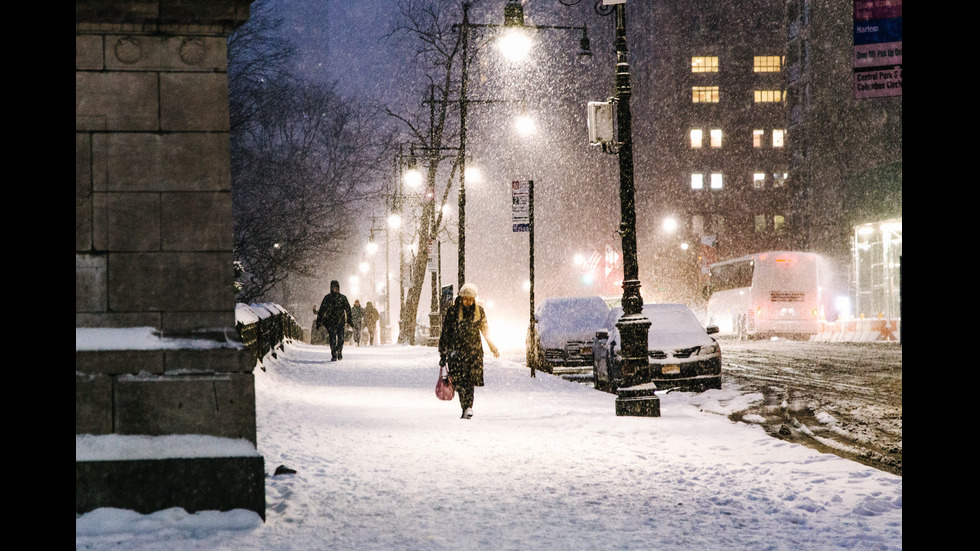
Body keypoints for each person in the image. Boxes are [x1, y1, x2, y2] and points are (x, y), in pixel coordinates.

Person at [438, 283, 499, 419]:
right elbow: (446, 332)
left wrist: (492, 347)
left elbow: (485, 330)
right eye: (466, 299)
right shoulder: (453, 311)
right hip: (456, 352)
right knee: (459, 382)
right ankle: (465, 407)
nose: (468, 302)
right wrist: (443, 351)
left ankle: (468, 407)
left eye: (471, 299)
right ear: (461, 297)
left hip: (473, 352)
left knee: (469, 382)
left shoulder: (479, 311)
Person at [315, 280, 354, 361]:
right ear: (331, 288)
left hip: (340, 321)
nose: (335, 289)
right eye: (333, 288)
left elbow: (348, 310)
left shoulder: (342, 298)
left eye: (336, 288)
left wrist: (350, 320)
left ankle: (339, 350)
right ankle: (334, 353)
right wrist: (319, 321)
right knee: (332, 338)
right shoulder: (328, 298)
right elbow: (322, 310)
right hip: (330, 322)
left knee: (341, 338)